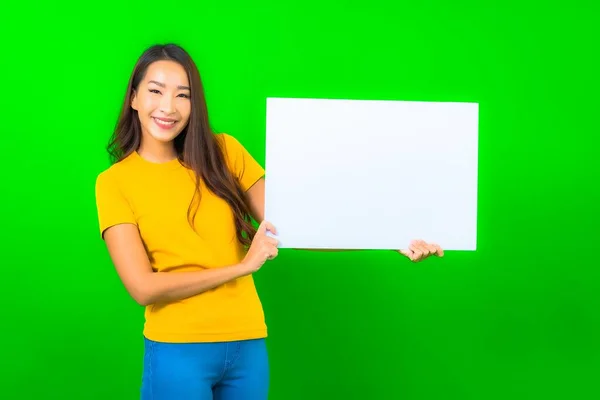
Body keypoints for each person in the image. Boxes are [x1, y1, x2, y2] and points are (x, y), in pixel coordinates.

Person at [94, 43, 444, 400]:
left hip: (247, 346)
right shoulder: (114, 183)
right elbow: (142, 288)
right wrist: (240, 268)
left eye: (182, 95)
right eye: (155, 91)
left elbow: (297, 224)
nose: (168, 107)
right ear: (134, 97)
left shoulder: (224, 152)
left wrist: (392, 237)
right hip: (177, 350)